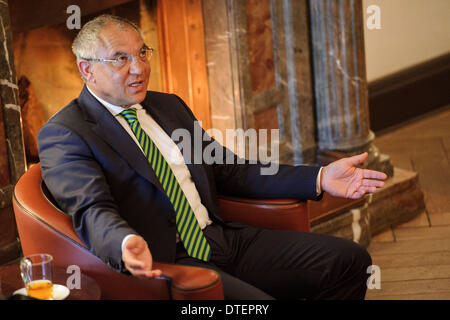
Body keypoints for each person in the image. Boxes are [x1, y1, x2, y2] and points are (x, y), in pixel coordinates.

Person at [37, 14, 387, 300]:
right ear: (87, 70)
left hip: (222, 239)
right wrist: (125, 243)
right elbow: (90, 208)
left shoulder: (167, 106)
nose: (139, 68)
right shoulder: (66, 133)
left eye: (143, 53)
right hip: (168, 261)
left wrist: (320, 177)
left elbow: (231, 171)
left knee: (350, 261)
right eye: (121, 59)